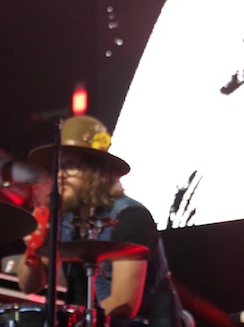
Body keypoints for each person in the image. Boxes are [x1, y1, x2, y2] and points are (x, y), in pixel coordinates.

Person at [17, 116, 182, 327]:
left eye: (69, 166)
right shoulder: (62, 218)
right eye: (54, 168)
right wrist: (33, 248)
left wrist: (79, 322)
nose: (59, 175)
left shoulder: (130, 216)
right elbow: (29, 286)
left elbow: (124, 304)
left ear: (96, 171)